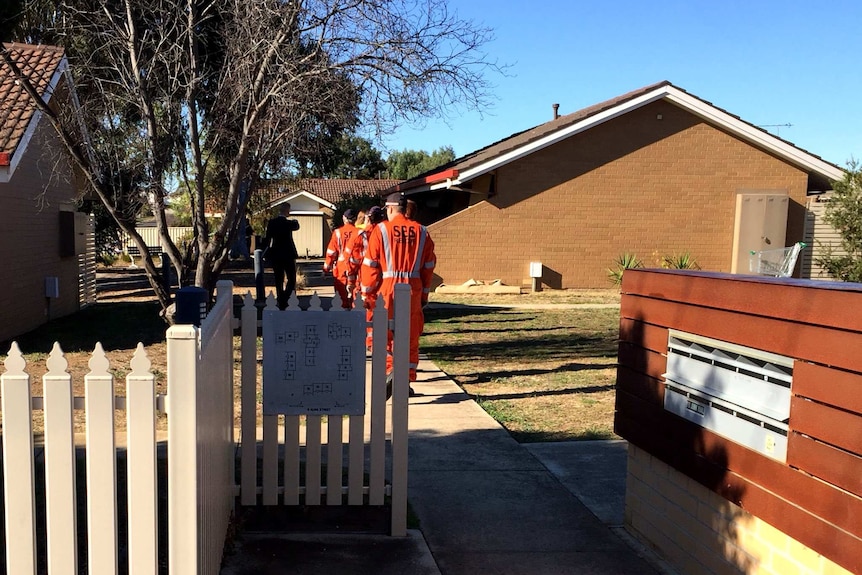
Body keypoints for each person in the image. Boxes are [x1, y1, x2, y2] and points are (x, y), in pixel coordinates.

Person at [360, 193, 436, 397]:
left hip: (387, 288)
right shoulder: (422, 231)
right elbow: (429, 267)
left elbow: (370, 266)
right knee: (410, 334)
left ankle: (391, 372)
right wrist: (424, 296)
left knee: (384, 334)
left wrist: (367, 294)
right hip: (413, 288)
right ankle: (405, 378)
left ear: (391, 209)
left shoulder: (381, 230)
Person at [346, 205, 386, 349]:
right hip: (385, 280)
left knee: (367, 311)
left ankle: (369, 342)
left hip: (365, 279)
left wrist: (350, 282)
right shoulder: (386, 233)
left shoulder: (360, 235)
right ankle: (379, 340)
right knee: (384, 311)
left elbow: (352, 261)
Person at [262, 202, 300, 309]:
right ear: (287, 211)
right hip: (288, 254)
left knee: (278, 278)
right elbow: (296, 226)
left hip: (276, 254)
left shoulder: (272, 223)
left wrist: (265, 251)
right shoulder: (289, 223)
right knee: (291, 278)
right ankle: (286, 297)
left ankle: (280, 299)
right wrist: (295, 220)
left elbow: (267, 238)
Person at [324, 208, 359, 309]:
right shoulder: (359, 232)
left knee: (340, 297)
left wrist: (326, 269)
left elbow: (331, 252)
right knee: (355, 295)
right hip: (356, 268)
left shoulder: (338, 232)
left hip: (341, 268)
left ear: (344, 218)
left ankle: (343, 318)